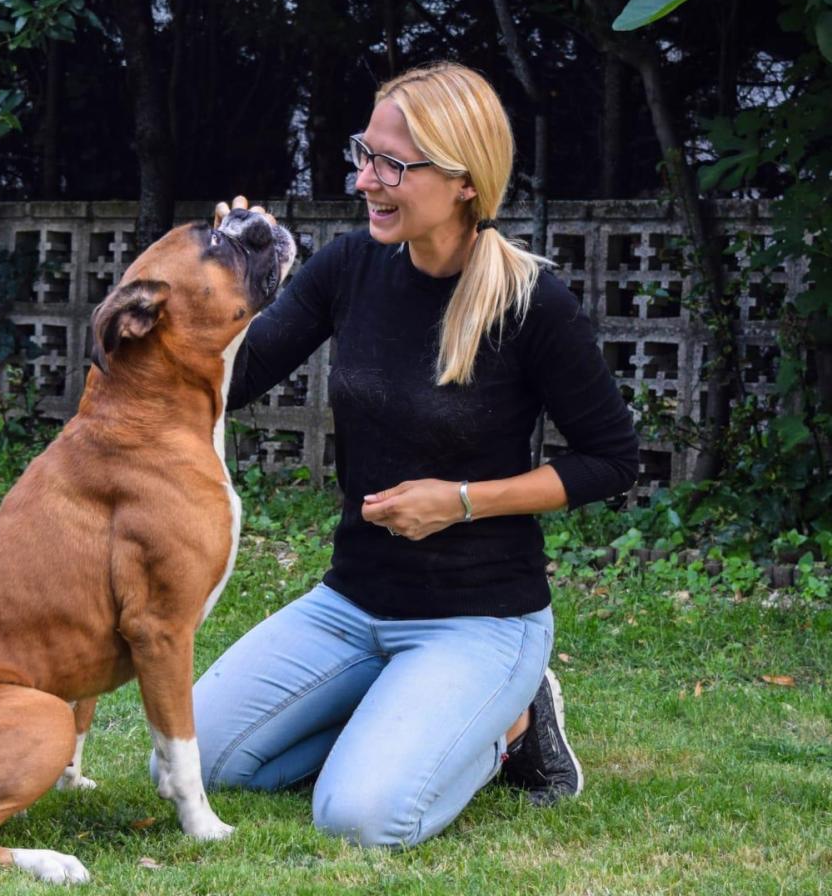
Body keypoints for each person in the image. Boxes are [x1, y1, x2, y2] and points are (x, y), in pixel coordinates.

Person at [178, 61, 639, 847]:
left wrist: (463, 499)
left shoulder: (531, 302)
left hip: (480, 617)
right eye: (365, 154)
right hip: (352, 602)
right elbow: (234, 379)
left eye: (393, 164)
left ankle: (514, 725)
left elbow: (611, 460)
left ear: (464, 179)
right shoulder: (350, 268)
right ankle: (407, 713)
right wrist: (222, 276)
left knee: (360, 817)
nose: (366, 180)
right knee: (207, 762)